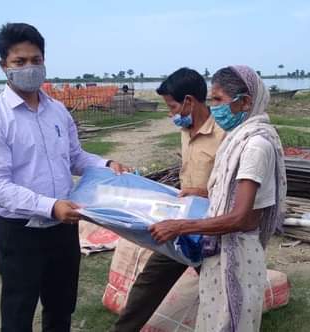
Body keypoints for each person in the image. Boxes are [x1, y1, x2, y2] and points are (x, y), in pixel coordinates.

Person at [0, 23, 129, 332]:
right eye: (20, 62)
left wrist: (107, 164)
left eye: (36, 60)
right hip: (19, 231)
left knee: (61, 306)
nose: (30, 67)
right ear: (4, 66)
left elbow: (75, 157)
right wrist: (50, 206)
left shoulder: (57, 111)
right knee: (18, 311)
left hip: (63, 228)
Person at [149, 65, 286, 332]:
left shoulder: (255, 146)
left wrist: (179, 226)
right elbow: (231, 191)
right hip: (221, 246)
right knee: (214, 319)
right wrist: (202, 192)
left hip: (238, 254)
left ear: (244, 102)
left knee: (230, 321)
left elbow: (241, 216)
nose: (213, 107)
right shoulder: (239, 139)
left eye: (218, 100)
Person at [112, 68, 226, 332]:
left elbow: (233, 191)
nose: (171, 113)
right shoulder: (186, 129)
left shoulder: (224, 136)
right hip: (181, 225)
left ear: (189, 101)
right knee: (149, 282)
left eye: (172, 106)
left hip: (211, 229)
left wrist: (203, 193)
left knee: (219, 289)